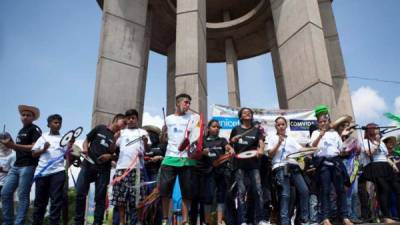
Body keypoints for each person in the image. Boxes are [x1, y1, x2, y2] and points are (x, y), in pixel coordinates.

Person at [74, 113, 126, 225]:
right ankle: (78, 221)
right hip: (88, 165)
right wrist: (85, 149)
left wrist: (109, 156)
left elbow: (116, 155)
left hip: (103, 170)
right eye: (124, 122)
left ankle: (97, 222)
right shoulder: (100, 128)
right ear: (116, 119)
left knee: (100, 198)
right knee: (80, 193)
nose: (125, 125)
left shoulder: (120, 138)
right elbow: (86, 140)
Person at [159, 93, 198, 225]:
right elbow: (163, 140)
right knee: (164, 191)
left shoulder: (193, 118)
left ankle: (185, 221)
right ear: (177, 103)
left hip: (187, 160)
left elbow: (196, 137)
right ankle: (165, 220)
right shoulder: (168, 119)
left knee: (187, 193)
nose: (188, 105)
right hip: (170, 157)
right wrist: (162, 134)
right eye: (186, 102)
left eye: (189, 103)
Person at [310, 105, 353, 225]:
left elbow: (340, 149)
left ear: (328, 121)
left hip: (336, 163)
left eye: (325, 121)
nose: (323, 123)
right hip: (323, 164)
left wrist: (345, 149)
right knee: (325, 191)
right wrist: (320, 135)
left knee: (341, 190)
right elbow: (313, 147)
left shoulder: (334, 134)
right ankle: (325, 218)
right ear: (317, 123)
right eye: (320, 122)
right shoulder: (315, 133)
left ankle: (344, 217)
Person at [1, 105, 42, 225]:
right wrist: (10, 142)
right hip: (16, 165)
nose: (25, 117)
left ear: (33, 118)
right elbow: (19, 149)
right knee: (5, 192)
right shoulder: (21, 131)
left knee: (22, 195)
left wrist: (13, 146)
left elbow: (34, 147)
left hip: (28, 166)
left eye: (28, 115)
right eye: (23, 115)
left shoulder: (35, 129)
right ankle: (8, 222)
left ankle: (18, 223)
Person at [267, 116, 310, 225]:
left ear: (286, 126)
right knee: (285, 195)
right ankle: (285, 222)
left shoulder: (291, 139)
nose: (281, 127)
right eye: (278, 125)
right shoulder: (271, 137)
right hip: (280, 167)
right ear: (275, 126)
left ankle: (303, 219)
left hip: (294, 167)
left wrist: (312, 149)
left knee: (304, 191)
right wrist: (278, 143)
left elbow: (300, 149)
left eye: (283, 124)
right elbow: (270, 154)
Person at [31, 114, 73, 225]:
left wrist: (70, 147)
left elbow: (66, 157)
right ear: (49, 124)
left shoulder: (64, 139)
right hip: (42, 173)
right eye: (55, 122)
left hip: (58, 173)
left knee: (56, 202)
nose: (58, 125)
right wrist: (43, 149)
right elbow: (34, 154)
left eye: (60, 123)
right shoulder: (42, 137)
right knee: (40, 203)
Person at [112, 109, 151, 225]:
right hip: (121, 169)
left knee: (138, 198)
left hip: (137, 169)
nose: (131, 120)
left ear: (137, 119)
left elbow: (147, 149)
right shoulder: (122, 132)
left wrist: (144, 143)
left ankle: (138, 222)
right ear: (126, 120)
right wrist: (114, 138)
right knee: (120, 199)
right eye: (128, 118)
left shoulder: (143, 132)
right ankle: (122, 222)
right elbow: (113, 148)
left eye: (133, 118)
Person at [230, 107, 268, 225]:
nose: (247, 114)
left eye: (249, 113)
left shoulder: (256, 130)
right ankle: (243, 221)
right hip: (239, 164)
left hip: (254, 164)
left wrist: (261, 150)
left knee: (258, 190)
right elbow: (230, 144)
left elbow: (261, 143)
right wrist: (231, 148)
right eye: (244, 113)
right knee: (241, 192)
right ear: (240, 117)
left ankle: (261, 219)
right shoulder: (236, 129)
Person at [192, 119, 234, 225]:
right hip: (207, 172)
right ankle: (207, 222)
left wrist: (231, 150)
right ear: (208, 128)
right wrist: (202, 153)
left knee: (221, 197)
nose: (217, 129)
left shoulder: (222, 140)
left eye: (218, 127)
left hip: (221, 172)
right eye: (214, 126)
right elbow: (195, 155)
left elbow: (228, 147)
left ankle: (219, 222)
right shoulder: (202, 140)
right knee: (208, 197)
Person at [361, 124, 400, 223]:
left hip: (386, 166)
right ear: (370, 131)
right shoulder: (366, 141)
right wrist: (377, 143)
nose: (378, 131)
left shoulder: (382, 143)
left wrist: (393, 165)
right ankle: (386, 216)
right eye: (375, 129)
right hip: (375, 166)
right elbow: (369, 153)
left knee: (397, 188)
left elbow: (386, 156)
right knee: (384, 190)